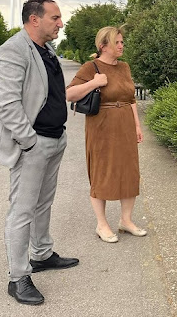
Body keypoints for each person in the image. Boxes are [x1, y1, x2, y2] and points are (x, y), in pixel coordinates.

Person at [0, 0, 78, 306]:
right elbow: (7, 104)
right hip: (34, 144)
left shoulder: (47, 50)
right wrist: (30, 142)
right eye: (55, 17)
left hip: (55, 139)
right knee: (22, 210)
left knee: (43, 203)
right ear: (34, 20)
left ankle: (41, 254)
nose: (60, 23)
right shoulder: (12, 50)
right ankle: (18, 277)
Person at [66, 26, 145, 244]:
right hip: (101, 126)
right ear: (103, 46)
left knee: (129, 171)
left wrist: (137, 125)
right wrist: (94, 83)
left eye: (122, 42)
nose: (121, 45)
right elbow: (69, 94)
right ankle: (102, 224)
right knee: (102, 171)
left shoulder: (125, 67)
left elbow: (131, 99)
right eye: (117, 42)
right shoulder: (91, 67)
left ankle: (126, 221)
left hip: (125, 124)